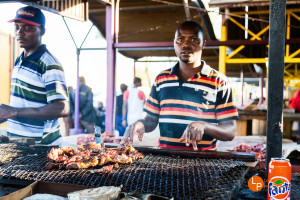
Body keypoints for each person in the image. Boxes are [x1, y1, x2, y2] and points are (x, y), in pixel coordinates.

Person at [121, 21, 239, 150]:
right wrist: (140, 124)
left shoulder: (219, 81)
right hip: (165, 159)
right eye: (180, 40)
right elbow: (151, 120)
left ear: (203, 44)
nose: (186, 45)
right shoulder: (162, 79)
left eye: (194, 39)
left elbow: (230, 131)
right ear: (174, 43)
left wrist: (204, 126)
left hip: (205, 162)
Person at [0, 6, 69, 144]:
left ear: (42, 31)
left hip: (41, 148)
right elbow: (24, 103)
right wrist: (7, 114)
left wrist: (15, 111)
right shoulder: (20, 60)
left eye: (28, 28)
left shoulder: (49, 64)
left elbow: (62, 108)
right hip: (21, 145)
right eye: (17, 27)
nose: (20, 33)